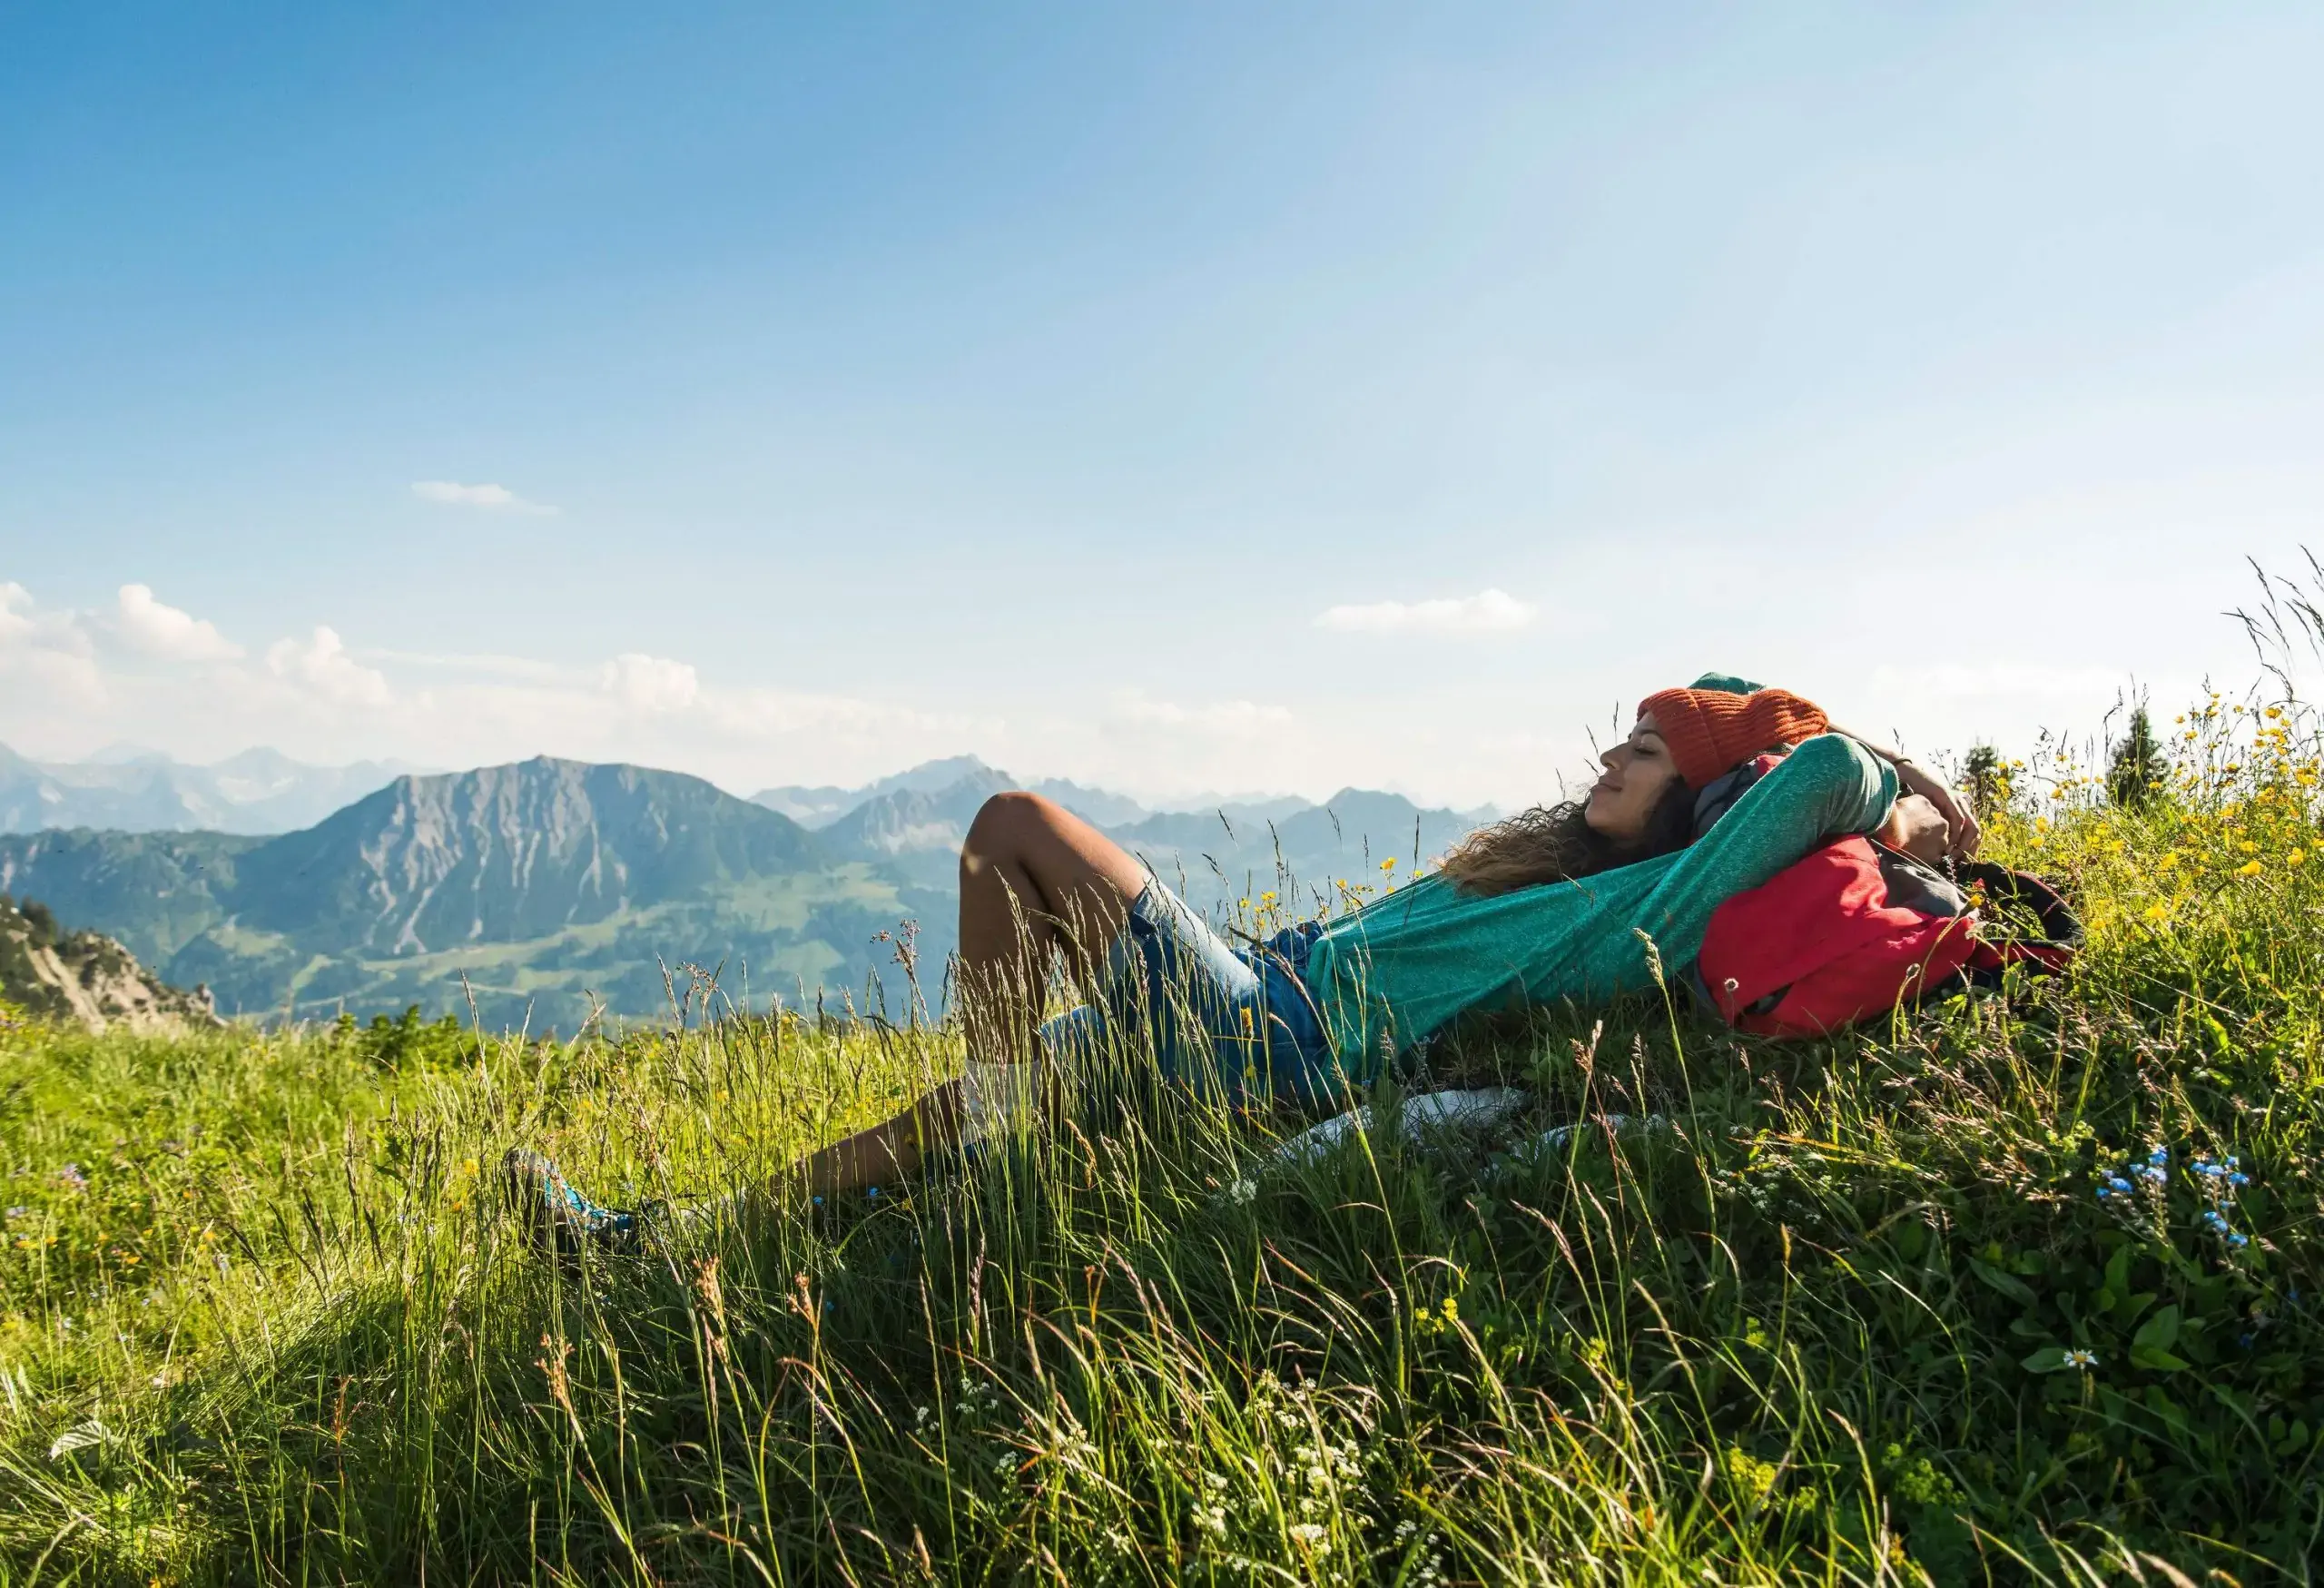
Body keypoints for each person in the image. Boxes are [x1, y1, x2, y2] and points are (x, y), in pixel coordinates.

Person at [505, 674, 1974, 1248]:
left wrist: (1916, 801)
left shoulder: (1635, 913)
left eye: (1645, 748)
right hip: (1261, 989)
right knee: (914, 1141)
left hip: (1278, 1038)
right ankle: (660, 1238)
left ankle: (1009, 1124)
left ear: (1712, 795)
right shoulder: (1553, 870)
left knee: (1014, 827)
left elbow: (1833, 767)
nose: (1606, 753)